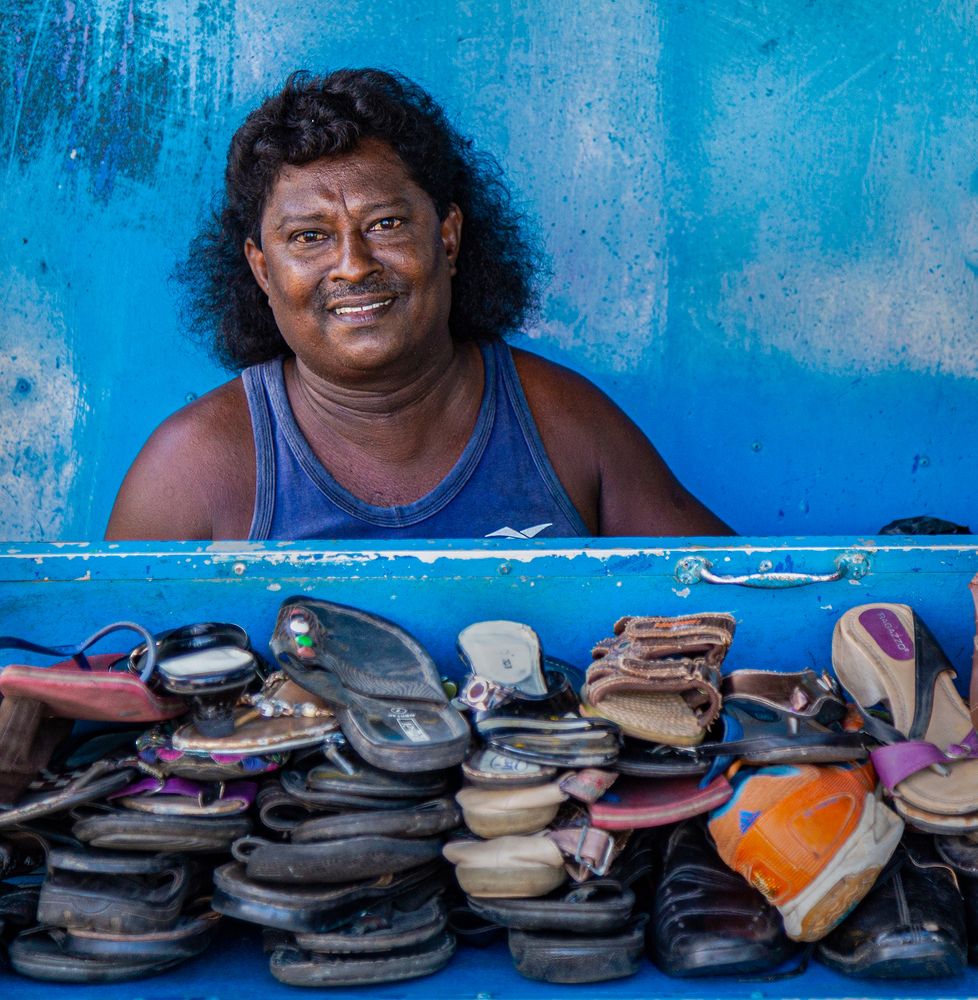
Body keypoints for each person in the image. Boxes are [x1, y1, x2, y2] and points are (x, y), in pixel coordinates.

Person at [106, 69, 732, 541]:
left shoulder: (564, 426)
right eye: (310, 237)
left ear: (448, 237)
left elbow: (740, 606)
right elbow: (103, 670)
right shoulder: (191, 470)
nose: (354, 264)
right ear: (263, 269)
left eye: (385, 224)